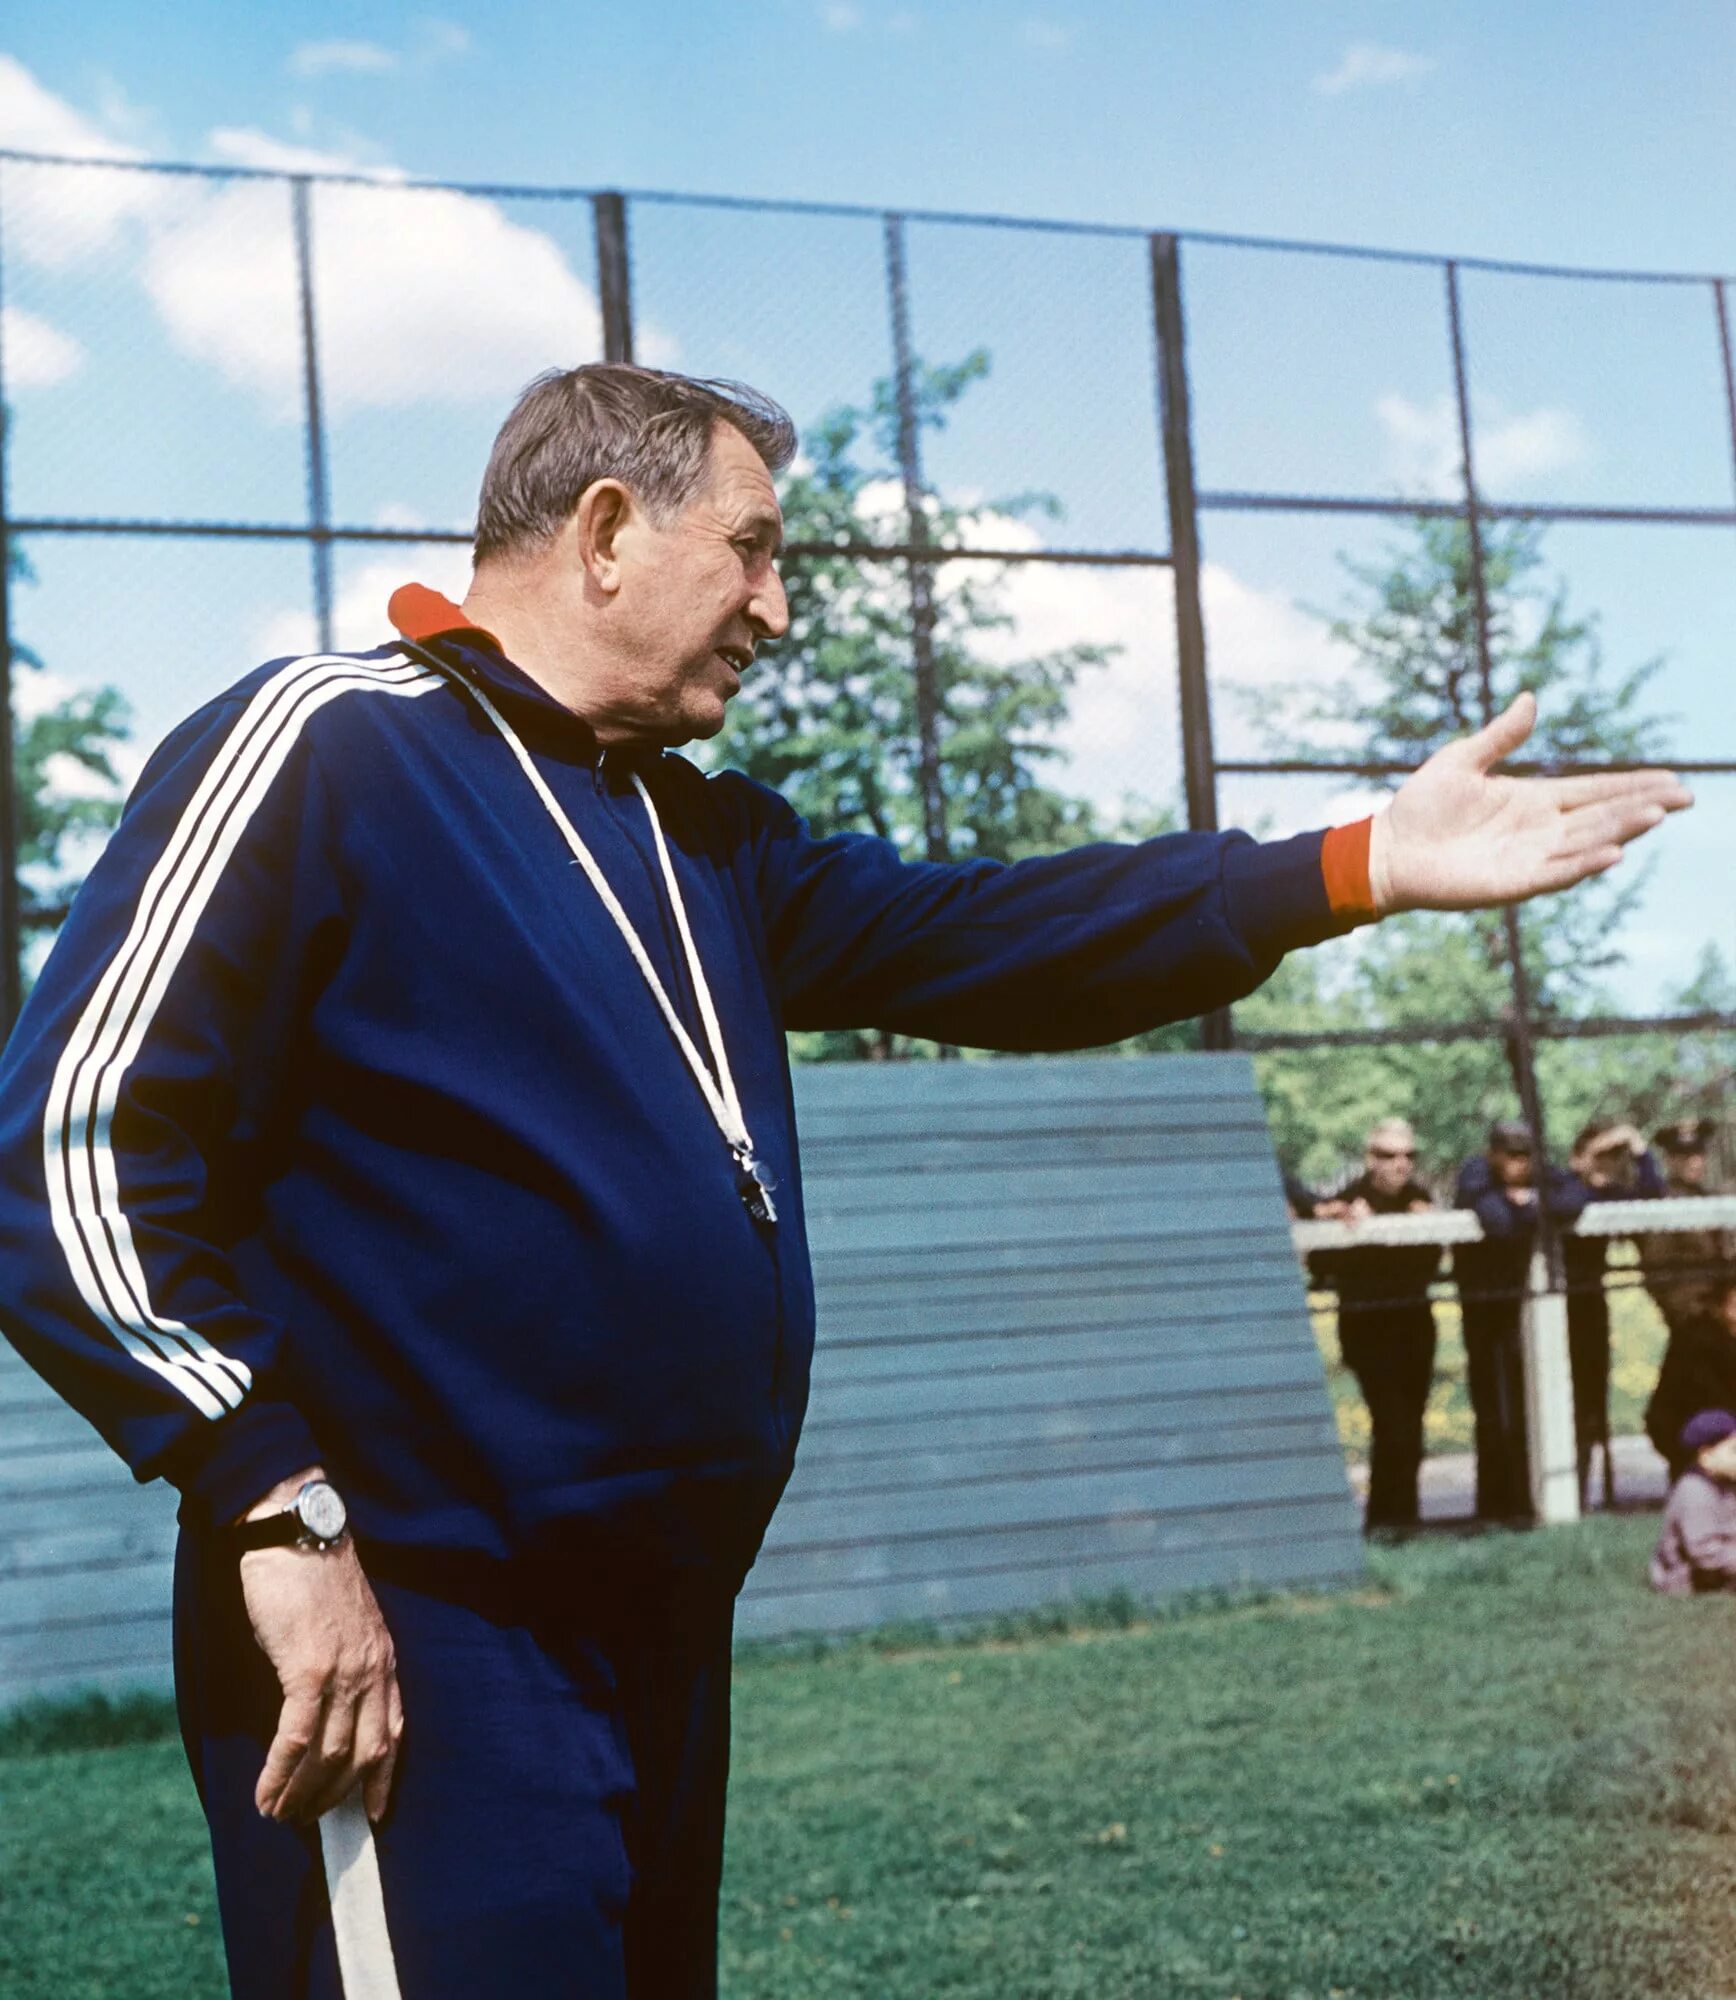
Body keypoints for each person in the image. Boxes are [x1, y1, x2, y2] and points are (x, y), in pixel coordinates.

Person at [0, 362, 1689, 2000]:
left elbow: (995, 940)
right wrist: (272, 1504)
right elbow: (70, 1144)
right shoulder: (323, 746)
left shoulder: (697, 834)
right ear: (604, 530)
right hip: (419, 1638)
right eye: (750, 548)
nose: (777, 606)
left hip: (657, 1643)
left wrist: (1358, 866)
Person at [1453, 1121, 1589, 1522]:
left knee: (1531, 1404)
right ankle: (1495, 1509)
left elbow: (1574, 1199)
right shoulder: (1475, 1172)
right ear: (1494, 1154)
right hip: (1486, 1312)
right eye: (1512, 1155)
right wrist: (1530, 1208)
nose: (1521, 1164)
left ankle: (1527, 1504)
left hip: (1522, 1311)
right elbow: (1495, 1220)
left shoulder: (1540, 1173)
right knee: (1495, 1411)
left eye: (1527, 1155)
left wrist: (1526, 1205)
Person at [1309, 1120, 1439, 1533]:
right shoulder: (1348, 1200)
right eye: (1389, 1155)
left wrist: (1426, 1227)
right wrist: (1351, 1234)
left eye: (1408, 1156)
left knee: (1410, 1427)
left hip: (1414, 1328)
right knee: (1391, 1424)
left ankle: (1403, 1518)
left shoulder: (1421, 1200)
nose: (1400, 1164)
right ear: (1370, 1159)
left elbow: (1431, 1261)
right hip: (1369, 1331)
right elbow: (1320, 1265)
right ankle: (1385, 1521)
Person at [1561, 1119, 1664, 1506]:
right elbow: (1566, 1202)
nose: (1606, 1165)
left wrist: (1639, 1146)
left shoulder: (1610, 1196)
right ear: (1578, 1159)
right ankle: (1563, 1495)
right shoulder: (1564, 1188)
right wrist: (1585, 1167)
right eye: (1599, 1156)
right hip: (1554, 1310)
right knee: (1563, 1404)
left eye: (1613, 1157)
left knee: (1592, 1402)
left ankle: (1588, 1493)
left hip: (1589, 1307)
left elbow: (1653, 1198)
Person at [1641, 1117, 1733, 1338]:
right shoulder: (1665, 1207)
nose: (1695, 1162)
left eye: (1699, 1154)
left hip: (1722, 1318)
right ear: (1670, 1160)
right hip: (1693, 1323)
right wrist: (1694, 1313)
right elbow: (1657, 1271)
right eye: (1685, 1156)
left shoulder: (1711, 1200)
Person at [1645, 1272, 1736, 1481]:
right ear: (1723, 1305)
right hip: (1702, 1474)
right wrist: (1698, 1459)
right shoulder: (1692, 1349)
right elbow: (1661, 1418)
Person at [1649, 1409, 1736, 1595]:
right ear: (1706, 1456)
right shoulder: (1694, 1490)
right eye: (1733, 1451)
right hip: (1689, 1578)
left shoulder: (1726, 1483)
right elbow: (1705, 1554)